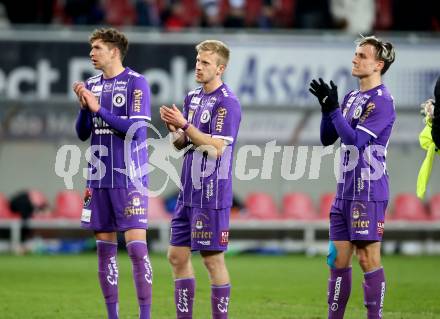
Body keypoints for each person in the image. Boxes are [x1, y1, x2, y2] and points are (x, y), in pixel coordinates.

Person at [309, 35, 396, 319]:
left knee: (367, 258)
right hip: (344, 191)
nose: (355, 59)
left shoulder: (382, 101)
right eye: (355, 54)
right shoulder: (351, 97)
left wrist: (334, 110)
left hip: (368, 191)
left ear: (378, 65)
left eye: (362, 55)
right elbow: (327, 138)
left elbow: (355, 141)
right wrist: (326, 111)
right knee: (337, 260)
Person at [73, 28, 152, 319]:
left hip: (129, 178)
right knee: (105, 253)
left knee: (136, 251)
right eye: (91, 48)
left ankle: (145, 316)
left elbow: (136, 129)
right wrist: (85, 109)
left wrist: (98, 109)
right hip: (98, 179)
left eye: (97, 48)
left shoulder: (137, 83)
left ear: (114, 51)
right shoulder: (92, 85)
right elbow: (83, 133)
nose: (91, 53)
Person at [160, 39, 241, 319]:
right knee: (176, 256)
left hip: (212, 192)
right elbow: (182, 144)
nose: (198, 66)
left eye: (205, 62)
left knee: (212, 260)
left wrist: (184, 124)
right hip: (188, 191)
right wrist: (174, 130)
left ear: (220, 68)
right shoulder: (192, 98)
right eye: (197, 61)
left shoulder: (227, 102)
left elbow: (216, 148)